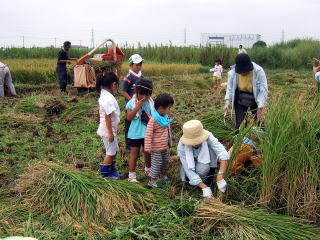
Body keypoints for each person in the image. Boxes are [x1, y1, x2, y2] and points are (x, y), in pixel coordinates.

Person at [178, 120, 230, 198]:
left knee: (212, 150)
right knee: (202, 170)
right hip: (191, 166)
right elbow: (188, 169)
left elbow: (222, 152)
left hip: (203, 162)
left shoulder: (208, 136)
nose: (195, 144)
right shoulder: (181, 147)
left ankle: (210, 175)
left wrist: (220, 175)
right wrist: (204, 188)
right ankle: (193, 182)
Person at [224, 53, 268, 132]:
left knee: (259, 121)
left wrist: (260, 107)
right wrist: (227, 101)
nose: (243, 73)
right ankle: (239, 137)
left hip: (255, 97)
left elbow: (263, 89)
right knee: (240, 124)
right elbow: (229, 87)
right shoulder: (233, 72)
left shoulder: (258, 71)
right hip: (240, 96)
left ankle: (262, 135)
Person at [126, 79, 153, 182]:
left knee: (147, 152)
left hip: (147, 133)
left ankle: (148, 170)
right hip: (135, 134)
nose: (145, 97)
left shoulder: (150, 102)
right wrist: (137, 107)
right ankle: (132, 176)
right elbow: (129, 117)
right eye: (142, 94)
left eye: (148, 95)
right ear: (136, 92)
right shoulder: (131, 103)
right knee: (134, 154)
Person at [96, 72, 123, 179]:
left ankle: (112, 171)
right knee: (110, 153)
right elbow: (107, 117)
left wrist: (116, 128)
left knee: (114, 151)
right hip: (107, 131)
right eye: (117, 86)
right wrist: (110, 133)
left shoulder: (105, 95)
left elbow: (112, 117)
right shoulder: (108, 99)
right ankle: (106, 174)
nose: (116, 88)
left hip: (109, 129)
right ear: (113, 85)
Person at [145, 93, 174, 188]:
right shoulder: (153, 120)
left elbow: (168, 132)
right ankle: (152, 181)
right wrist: (148, 147)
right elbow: (148, 134)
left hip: (164, 146)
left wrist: (170, 142)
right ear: (161, 108)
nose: (170, 110)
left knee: (165, 162)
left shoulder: (165, 119)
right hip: (156, 148)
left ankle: (163, 176)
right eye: (169, 108)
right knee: (157, 164)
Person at [120, 54, 145, 151]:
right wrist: (131, 100)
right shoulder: (128, 77)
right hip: (131, 106)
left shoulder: (142, 77)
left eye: (140, 64)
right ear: (131, 65)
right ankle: (129, 146)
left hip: (141, 105)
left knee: (139, 123)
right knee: (129, 124)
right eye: (137, 65)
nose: (139, 67)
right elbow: (123, 91)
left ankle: (140, 143)